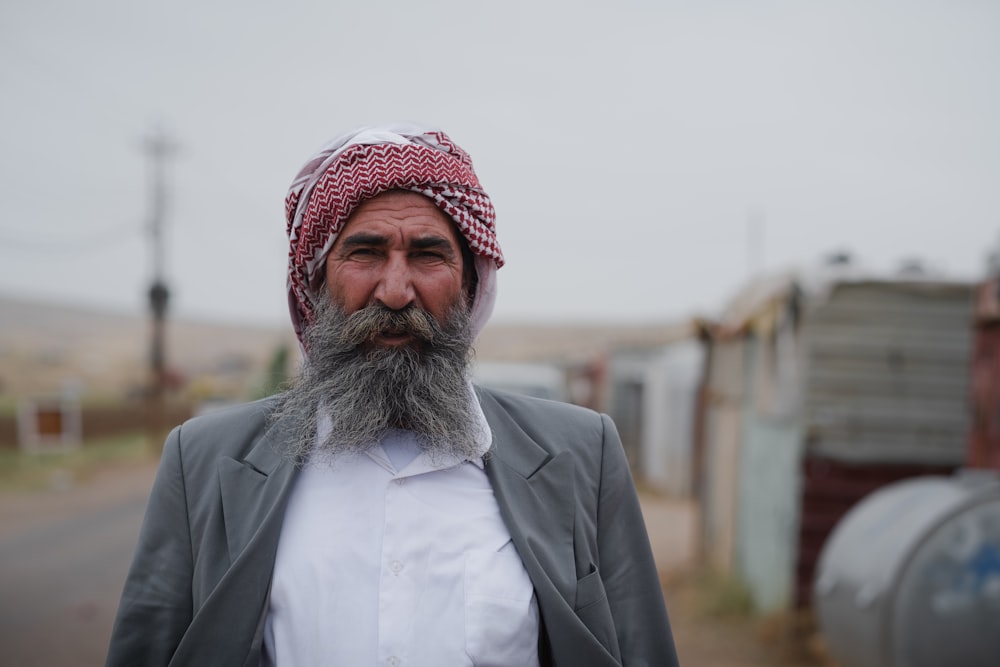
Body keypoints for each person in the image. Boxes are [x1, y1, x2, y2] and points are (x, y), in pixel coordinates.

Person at [106, 123, 680, 667]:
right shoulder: (204, 461)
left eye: (428, 255)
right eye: (365, 253)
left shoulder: (582, 456)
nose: (397, 290)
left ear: (470, 282)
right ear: (316, 281)